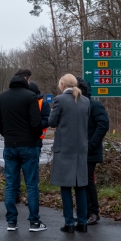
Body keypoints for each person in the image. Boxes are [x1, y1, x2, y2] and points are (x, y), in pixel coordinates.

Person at [0, 68, 45, 232]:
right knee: (31, 184)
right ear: (26, 81)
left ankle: (11, 222)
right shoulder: (30, 97)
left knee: (10, 184)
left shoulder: (1, 97)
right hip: (28, 144)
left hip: (10, 145)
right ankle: (34, 222)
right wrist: (33, 136)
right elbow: (36, 123)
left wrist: (6, 133)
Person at [48, 74, 92, 232]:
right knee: (80, 186)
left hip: (64, 148)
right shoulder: (86, 101)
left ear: (62, 84)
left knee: (65, 187)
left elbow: (52, 122)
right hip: (81, 148)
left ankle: (69, 222)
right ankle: (82, 222)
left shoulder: (60, 100)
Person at [77, 77, 110, 225]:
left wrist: (91, 144)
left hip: (90, 151)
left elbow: (103, 124)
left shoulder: (95, 105)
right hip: (78, 150)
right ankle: (83, 210)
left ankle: (93, 212)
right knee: (79, 182)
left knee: (88, 181)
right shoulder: (76, 105)